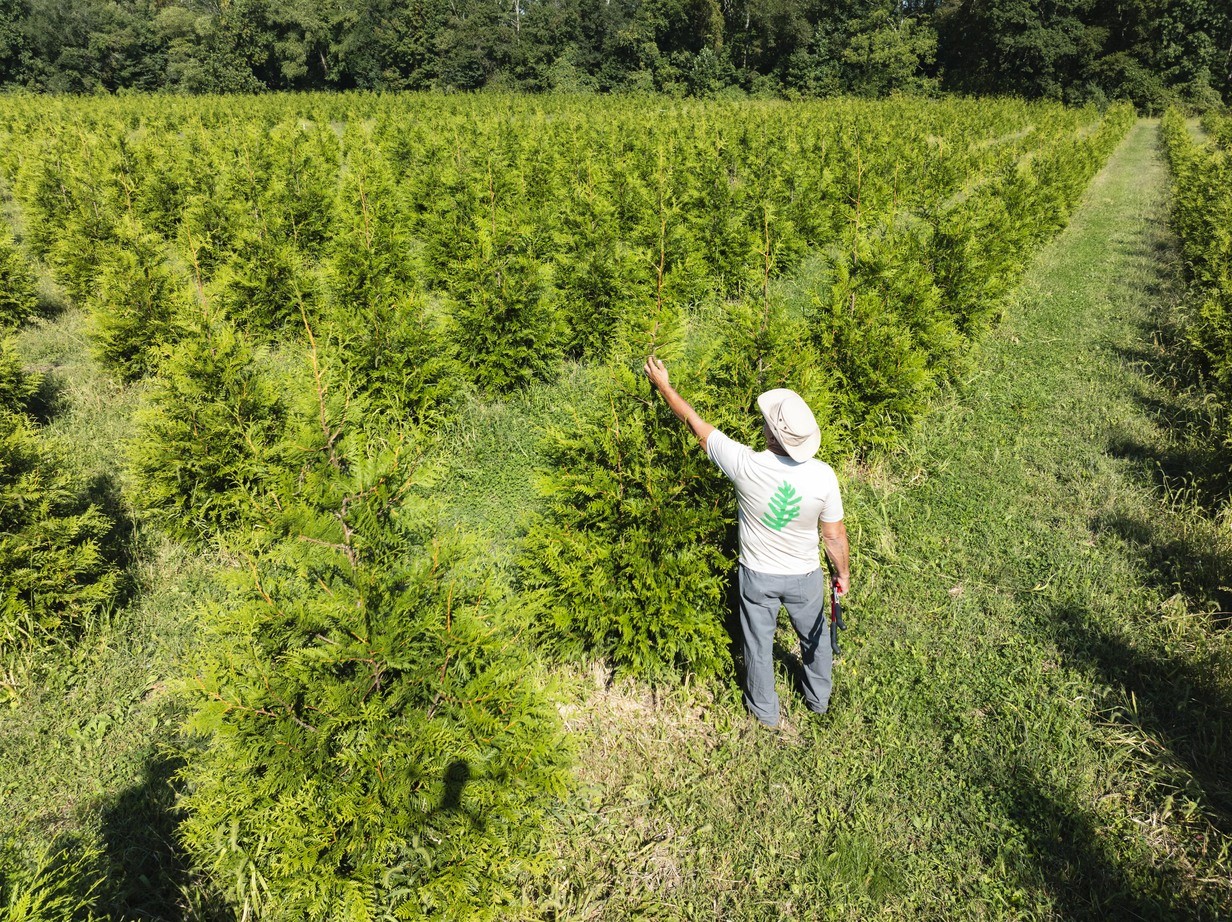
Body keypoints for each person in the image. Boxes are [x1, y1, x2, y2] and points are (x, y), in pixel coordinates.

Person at [643, 355, 850, 729]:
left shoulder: (744, 464)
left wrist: (664, 386)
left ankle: (765, 713)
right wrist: (843, 575)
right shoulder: (823, 477)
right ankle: (818, 701)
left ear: (772, 433)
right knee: (815, 638)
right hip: (804, 577)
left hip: (757, 577)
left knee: (758, 644)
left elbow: (695, 423)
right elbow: (833, 535)